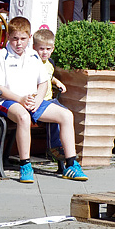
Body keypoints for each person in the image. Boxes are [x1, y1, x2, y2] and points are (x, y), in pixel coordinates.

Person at [0, 18, 86, 183]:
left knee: (66, 115)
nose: (19, 43)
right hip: (8, 102)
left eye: (23, 39)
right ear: (8, 37)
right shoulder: (1, 56)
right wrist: (20, 99)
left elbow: (44, 82)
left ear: (29, 38)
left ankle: (71, 164)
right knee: (24, 117)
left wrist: (38, 99)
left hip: (33, 100)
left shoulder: (33, 55)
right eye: (15, 38)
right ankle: (25, 165)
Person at [32, 29, 69, 174]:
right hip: (38, 101)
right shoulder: (32, 63)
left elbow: (49, 76)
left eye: (48, 49)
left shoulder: (50, 63)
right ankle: (54, 148)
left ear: (53, 49)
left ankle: (62, 151)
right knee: (56, 118)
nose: (44, 52)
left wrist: (57, 82)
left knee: (65, 114)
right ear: (34, 47)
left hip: (50, 99)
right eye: (41, 49)